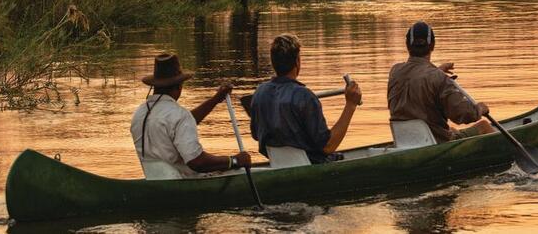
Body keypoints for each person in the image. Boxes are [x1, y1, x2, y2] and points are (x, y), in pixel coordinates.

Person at [130, 53, 251, 178]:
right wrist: (234, 161)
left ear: (155, 86)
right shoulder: (179, 115)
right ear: (179, 86)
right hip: (181, 182)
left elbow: (182, 123)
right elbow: (197, 162)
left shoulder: (139, 113)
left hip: (154, 180)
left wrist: (215, 99)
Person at [249, 34, 363, 164]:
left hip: (277, 163)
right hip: (310, 164)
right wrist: (350, 105)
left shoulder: (259, 93)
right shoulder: (304, 96)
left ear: (273, 62)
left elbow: (256, 135)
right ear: (297, 61)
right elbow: (328, 146)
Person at [387, 21, 495, 143]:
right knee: (484, 126)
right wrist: (479, 109)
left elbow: (417, 77)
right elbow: (464, 114)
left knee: (451, 129)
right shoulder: (437, 78)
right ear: (433, 45)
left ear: (407, 45)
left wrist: (436, 71)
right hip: (435, 142)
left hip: (406, 141)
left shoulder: (395, 72)